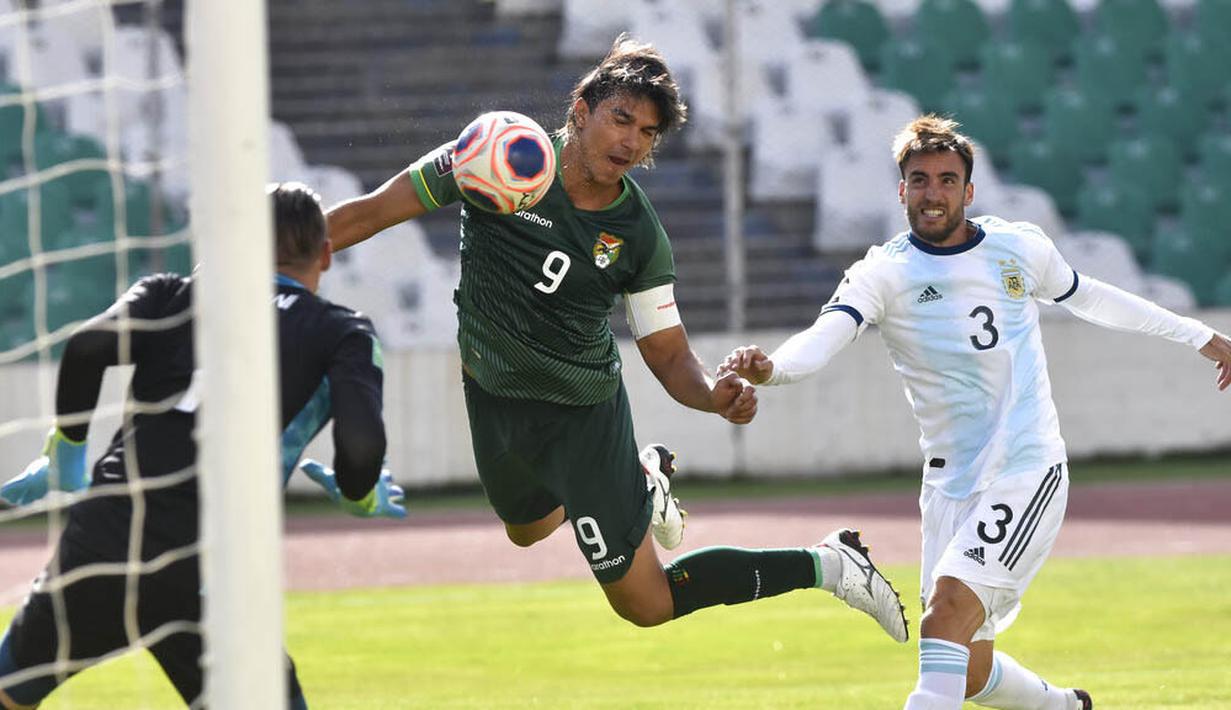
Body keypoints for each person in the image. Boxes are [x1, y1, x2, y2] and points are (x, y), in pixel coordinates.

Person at [323, 34, 909, 639]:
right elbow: (369, 212)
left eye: (647, 132)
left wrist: (713, 393)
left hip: (581, 416)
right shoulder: (494, 153)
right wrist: (276, 255)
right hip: (492, 395)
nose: (631, 141)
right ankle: (640, 481)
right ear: (581, 111)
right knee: (524, 531)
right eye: (620, 118)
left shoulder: (638, 233)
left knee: (646, 605)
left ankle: (829, 564)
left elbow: (668, 353)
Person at [720, 115, 1231, 710]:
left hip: (1025, 465)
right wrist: (771, 368)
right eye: (918, 180)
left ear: (968, 190)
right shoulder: (883, 272)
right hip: (949, 486)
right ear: (901, 190)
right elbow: (825, 335)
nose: (931, 193)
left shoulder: (1018, 247)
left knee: (943, 620)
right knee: (965, 668)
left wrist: (1195, 333)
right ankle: (1067, 707)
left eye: (945, 180)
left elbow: (1092, 296)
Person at [0, 183, 405, 709]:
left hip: (105, 541)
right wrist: (359, 492)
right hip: (208, 569)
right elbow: (361, 444)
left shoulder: (172, 293)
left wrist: (67, 454)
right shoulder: (340, 332)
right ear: (327, 253)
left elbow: (86, 347)